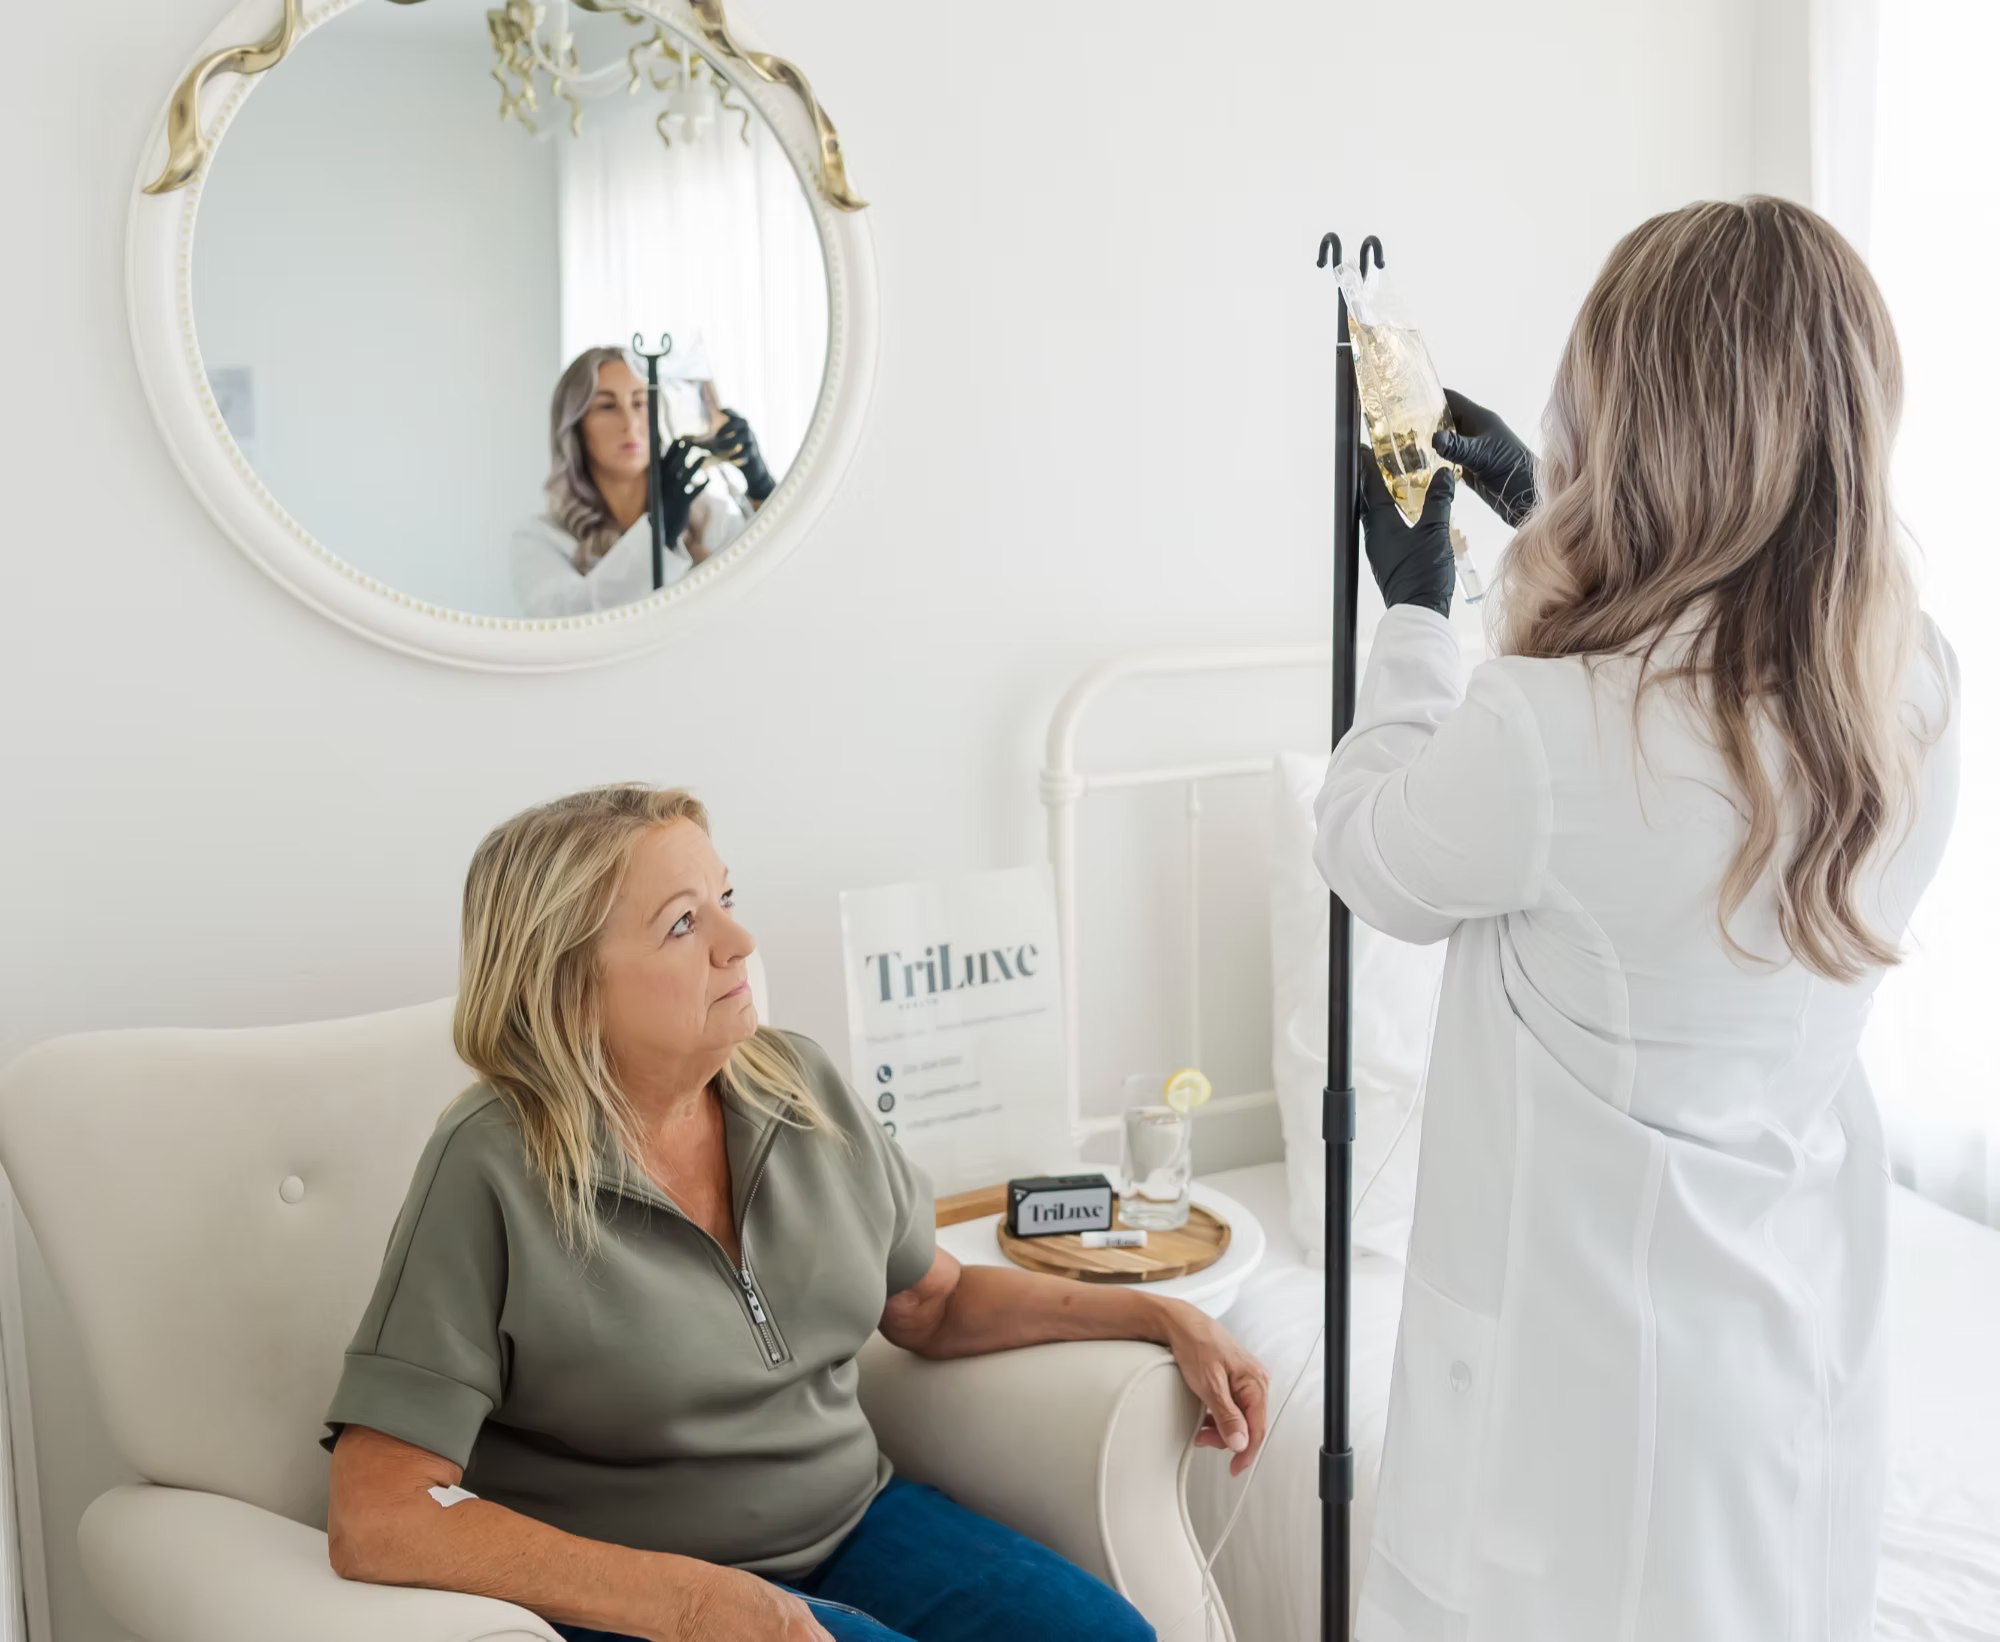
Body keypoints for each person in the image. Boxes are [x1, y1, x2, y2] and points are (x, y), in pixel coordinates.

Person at [1316, 197, 1957, 1642]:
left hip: (1581, 1421)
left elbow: (1373, 850)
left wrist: (1417, 610)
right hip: (1785, 1366)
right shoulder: (1911, 686)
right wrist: (1551, 523)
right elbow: (1700, 728)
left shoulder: (1552, 731)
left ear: (1640, 420)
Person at [322, 784, 1270, 1642]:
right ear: (566, 983)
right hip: (639, 1588)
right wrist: (690, 1603)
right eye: (683, 924)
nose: (740, 944)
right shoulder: (491, 1161)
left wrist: (1159, 1315)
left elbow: (930, 1305)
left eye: (725, 901)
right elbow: (380, 1510)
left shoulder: (798, 1083)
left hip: (859, 1521)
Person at [512, 348, 779, 618]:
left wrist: (761, 488)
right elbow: (570, 621)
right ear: (575, 426)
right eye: (607, 406)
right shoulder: (541, 538)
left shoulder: (708, 518)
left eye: (640, 403)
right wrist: (657, 535)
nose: (630, 424)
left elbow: (777, 580)